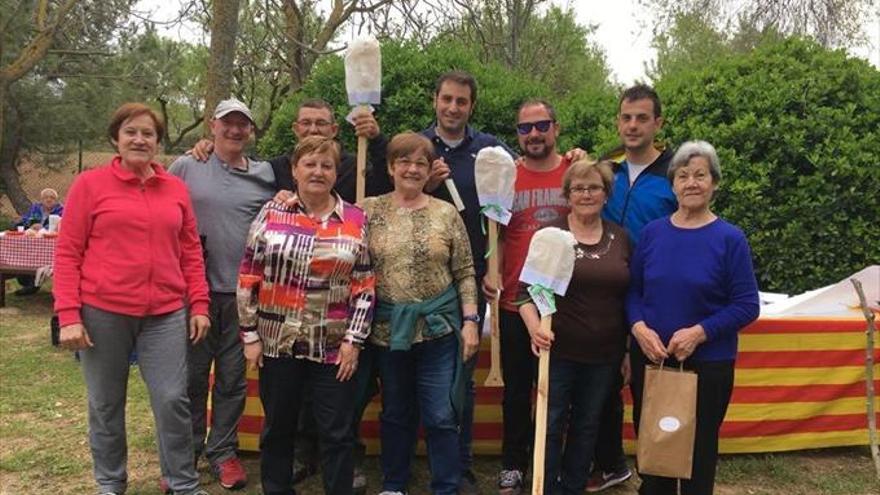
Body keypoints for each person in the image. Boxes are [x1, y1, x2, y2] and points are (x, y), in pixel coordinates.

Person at [53, 102, 212, 495]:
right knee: (106, 403)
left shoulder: (175, 188)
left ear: (158, 142)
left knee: (172, 399)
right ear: (116, 139)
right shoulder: (89, 185)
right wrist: (68, 314)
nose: (140, 139)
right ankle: (110, 483)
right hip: (102, 312)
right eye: (131, 132)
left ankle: (183, 483)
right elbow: (68, 251)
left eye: (148, 134)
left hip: (165, 314)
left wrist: (201, 304)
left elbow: (190, 250)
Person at [237, 135, 375, 495]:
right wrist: (250, 335)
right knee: (279, 427)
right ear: (294, 170)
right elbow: (249, 275)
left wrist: (354, 342)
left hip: (333, 348)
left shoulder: (356, 220)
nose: (318, 171)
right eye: (310, 164)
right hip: (277, 342)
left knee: (337, 432)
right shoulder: (272, 213)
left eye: (326, 165)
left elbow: (364, 287)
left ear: (336, 172)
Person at [627, 141, 760, 495]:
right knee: (654, 450)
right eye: (683, 175)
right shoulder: (653, 233)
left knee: (697, 456)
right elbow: (633, 293)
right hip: (653, 360)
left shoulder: (730, 238)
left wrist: (699, 333)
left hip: (708, 364)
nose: (691, 183)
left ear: (714, 182)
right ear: (672, 185)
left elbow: (747, 304)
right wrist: (639, 330)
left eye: (700, 175)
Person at [361, 132, 479, 495]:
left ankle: (446, 485)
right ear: (390, 167)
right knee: (396, 413)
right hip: (387, 332)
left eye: (420, 163)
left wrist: (471, 322)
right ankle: (394, 484)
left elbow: (465, 271)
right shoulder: (367, 210)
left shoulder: (446, 213)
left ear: (430, 171)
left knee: (442, 415)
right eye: (404, 161)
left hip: (439, 332)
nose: (412, 169)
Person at [168, 98, 276, 491]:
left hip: (243, 298)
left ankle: (223, 453)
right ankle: (186, 455)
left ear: (250, 131)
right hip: (191, 294)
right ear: (212, 126)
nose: (234, 130)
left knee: (232, 380)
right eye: (227, 123)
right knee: (191, 379)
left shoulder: (265, 175)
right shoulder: (186, 166)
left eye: (242, 125)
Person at [520, 159, 631, 494]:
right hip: (559, 352)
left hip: (605, 354)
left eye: (594, 187)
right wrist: (534, 328)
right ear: (567, 194)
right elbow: (524, 294)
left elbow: (629, 295)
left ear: (606, 194)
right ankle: (544, 485)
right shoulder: (550, 235)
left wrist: (626, 350)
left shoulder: (621, 238)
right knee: (550, 423)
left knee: (587, 426)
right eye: (578, 188)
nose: (586, 194)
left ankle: (572, 487)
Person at [588, 84, 677, 493]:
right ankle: (611, 464)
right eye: (626, 117)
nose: (633, 125)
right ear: (618, 121)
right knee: (603, 381)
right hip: (608, 290)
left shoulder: (676, 172)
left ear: (657, 123)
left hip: (655, 295)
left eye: (642, 117)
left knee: (649, 387)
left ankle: (657, 473)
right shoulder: (607, 168)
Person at [493, 99, 571, 495]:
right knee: (517, 389)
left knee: (559, 390)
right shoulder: (508, 177)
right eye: (525, 128)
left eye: (541, 126)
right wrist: (495, 275)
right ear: (518, 135)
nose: (534, 134)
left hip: (562, 305)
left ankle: (550, 463)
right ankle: (513, 465)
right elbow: (501, 236)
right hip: (514, 302)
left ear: (555, 128)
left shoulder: (574, 172)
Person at [12, 188, 64, 295]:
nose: (49, 200)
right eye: (46, 197)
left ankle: (34, 284)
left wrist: (44, 227)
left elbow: (62, 223)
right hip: (32, 237)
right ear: (42, 199)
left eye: (52, 198)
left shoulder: (61, 210)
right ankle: (28, 282)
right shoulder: (36, 207)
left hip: (49, 239)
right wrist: (31, 224)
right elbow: (26, 218)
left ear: (56, 200)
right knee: (21, 252)